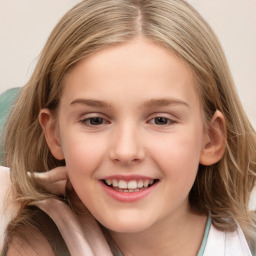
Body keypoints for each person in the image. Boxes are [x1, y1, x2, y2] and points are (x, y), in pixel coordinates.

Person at [1, 0, 256, 255]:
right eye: (95, 120)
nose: (125, 151)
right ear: (54, 135)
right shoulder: (33, 245)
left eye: (161, 120)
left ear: (210, 139)